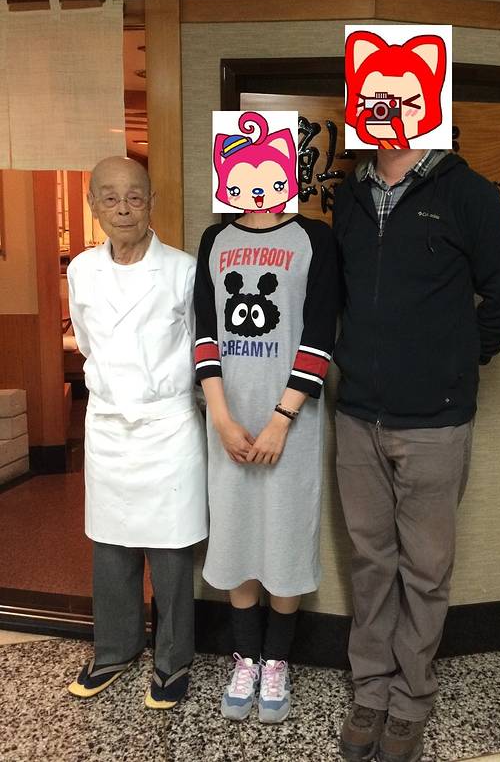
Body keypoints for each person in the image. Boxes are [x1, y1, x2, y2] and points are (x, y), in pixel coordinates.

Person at [333, 147, 500, 762]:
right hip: (357, 414)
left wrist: (455, 364)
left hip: (435, 423)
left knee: (425, 569)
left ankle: (411, 699)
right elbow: (343, 294)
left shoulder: (468, 193)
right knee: (370, 562)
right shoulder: (350, 193)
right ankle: (370, 690)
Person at [66, 156, 207, 709]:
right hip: (107, 424)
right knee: (110, 545)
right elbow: (86, 341)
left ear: (151, 202)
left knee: (170, 549)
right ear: (93, 205)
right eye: (109, 197)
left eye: (134, 197)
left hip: (167, 424)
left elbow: (200, 346)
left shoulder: (182, 269)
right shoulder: (82, 270)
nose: (122, 208)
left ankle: (173, 660)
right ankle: (114, 649)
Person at [194, 206, 338, 724]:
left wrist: (281, 420)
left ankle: (276, 661)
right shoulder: (215, 239)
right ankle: (246, 660)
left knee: (285, 534)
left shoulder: (314, 238)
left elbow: (320, 334)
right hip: (229, 419)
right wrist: (220, 417)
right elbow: (205, 333)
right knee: (234, 533)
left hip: (291, 421)